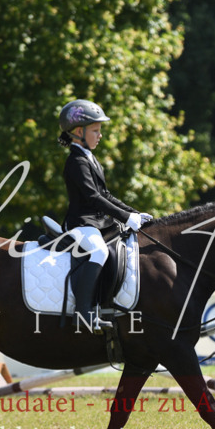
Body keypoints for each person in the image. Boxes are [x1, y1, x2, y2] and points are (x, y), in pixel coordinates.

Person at [58, 99, 150, 333]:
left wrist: (133, 213)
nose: (100, 135)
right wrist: (125, 217)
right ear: (79, 132)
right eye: (96, 130)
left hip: (97, 222)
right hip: (81, 223)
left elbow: (105, 194)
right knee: (98, 251)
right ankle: (83, 313)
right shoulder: (76, 161)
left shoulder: (88, 157)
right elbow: (92, 198)